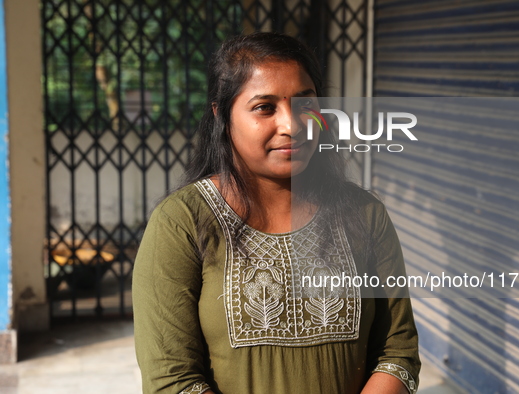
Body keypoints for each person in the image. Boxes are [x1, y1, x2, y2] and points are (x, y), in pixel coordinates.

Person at [132, 32, 420, 394]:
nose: (292, 125)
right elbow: (171, 379)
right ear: (222, 115)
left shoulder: (365, 214)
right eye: (264, 107)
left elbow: (398, 352)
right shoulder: (182, 222)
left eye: (305, 104)